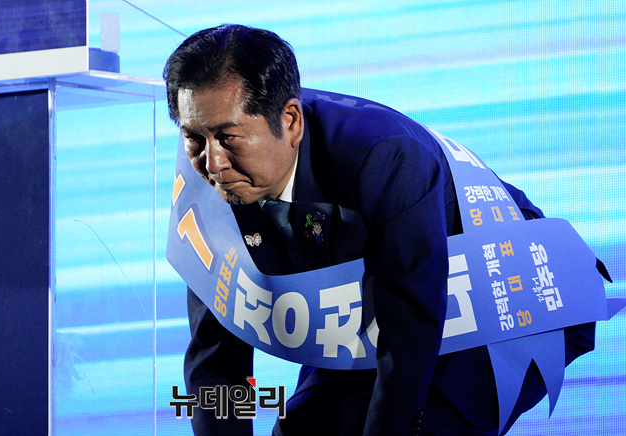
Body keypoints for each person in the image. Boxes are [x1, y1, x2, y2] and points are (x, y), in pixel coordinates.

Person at [163, 24, 595, 436]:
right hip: (370, 303)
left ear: (290, 122)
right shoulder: (205, 176)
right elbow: (216, 358)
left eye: (229, 138)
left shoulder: (385, 158)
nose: (214, 164)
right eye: (195, 139)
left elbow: (408, 340)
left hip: (508, 300)